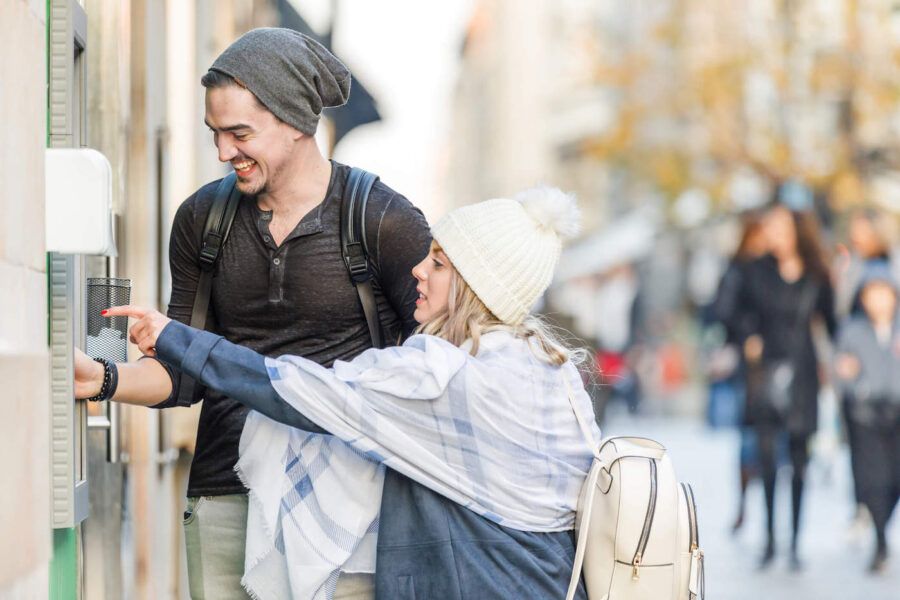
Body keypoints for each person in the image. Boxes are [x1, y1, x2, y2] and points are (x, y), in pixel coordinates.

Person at [75, 188, 597, 599]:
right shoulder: (546, 368)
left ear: (474, 286)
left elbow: (299, 392)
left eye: (439, 264)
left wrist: (173, 336)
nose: (418, 269)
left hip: (480, 584)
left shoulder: (446, 375)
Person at [83, 27, 431, 598]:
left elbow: (436, 365)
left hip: (350, 504)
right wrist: (102, 377)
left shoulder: (382, 220)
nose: (223, 152)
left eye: (239, 133)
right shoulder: (203, 220)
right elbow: (185, 372)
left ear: (296, 122)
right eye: (215, 133)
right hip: (225, 496)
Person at [734, 203, 836, 569]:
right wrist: (748, 337)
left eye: (779, 225)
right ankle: (770, 541)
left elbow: (831, 321)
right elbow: (737, 312)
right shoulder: (755, 270)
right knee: (766, 457)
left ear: (795, 229)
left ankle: (794, 542)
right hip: (765, 371)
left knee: (799, 459)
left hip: (803, 373)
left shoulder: (816, 272)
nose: (772, 232)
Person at [833, 263, 900, 573]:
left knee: (894, 479)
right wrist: (850, 378)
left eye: (884, 293)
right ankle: (880, 539)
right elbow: (841, 371)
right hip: (866, 414)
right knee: (873, 478)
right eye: (872, 293)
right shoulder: (852, 329)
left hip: (896, 414)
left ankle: (883, 528)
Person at [711, 210, 768, 533]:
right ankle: (745, 501)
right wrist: (746, 335)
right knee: (749, 435)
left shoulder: (775, 269)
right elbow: (723, 310)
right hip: (749, 363)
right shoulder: (740, 269)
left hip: (772, 360)